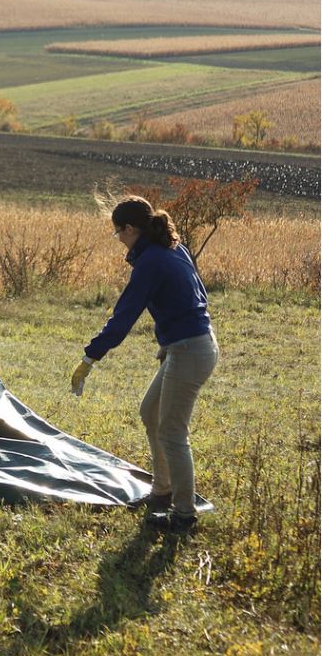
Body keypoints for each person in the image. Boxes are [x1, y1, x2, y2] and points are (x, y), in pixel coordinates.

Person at [72, 196, 217, 532]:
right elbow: (200, 295)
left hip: (190, 351)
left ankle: (183, 514)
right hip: (187, 346)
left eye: (118, 233)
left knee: (172, 431)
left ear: (131, 228)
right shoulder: (171, 247)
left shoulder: (151, 261)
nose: (118, 239)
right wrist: (168, 341)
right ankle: (162, 492)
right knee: (150, 412)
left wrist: (90, 356)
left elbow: (124, 317)